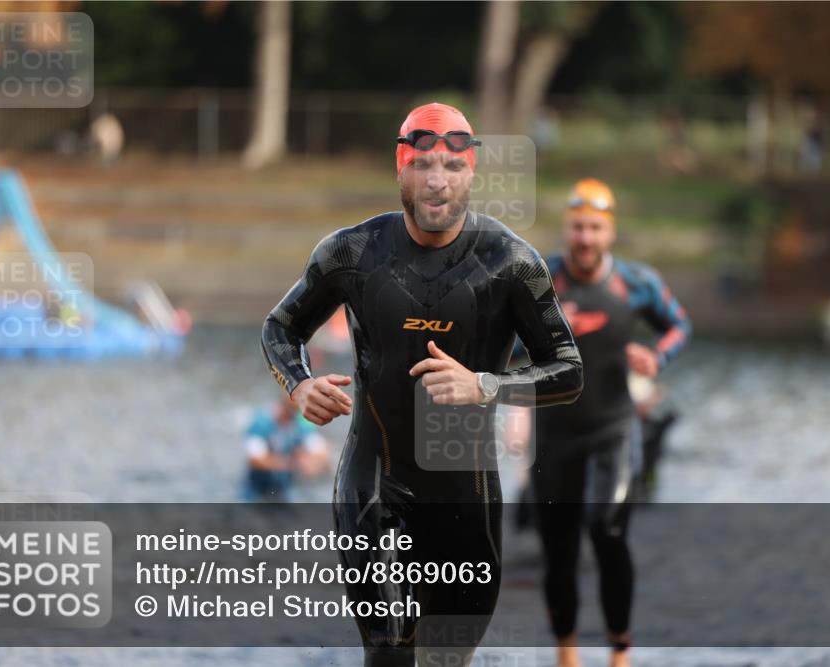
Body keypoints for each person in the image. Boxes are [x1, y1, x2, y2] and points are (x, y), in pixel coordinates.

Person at [261, 102, 583, 667]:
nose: (437, 182)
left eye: (452, 168)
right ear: (400, 167)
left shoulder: (510, 263)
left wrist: (485, 384)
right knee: (388, 650)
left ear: (472, 173)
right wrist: (299, 385)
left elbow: (567, 370)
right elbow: (280, 327)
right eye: (424, 165)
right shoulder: (352, 253)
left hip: (466, 498)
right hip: (374, 483)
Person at [531, 178, 691, 667]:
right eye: (578, 227)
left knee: (607, 529)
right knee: (557, 549)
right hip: (554, 434)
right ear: (567, 228)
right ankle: (567, 652)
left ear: (610, 232)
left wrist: (656, 357)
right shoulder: (539, 280)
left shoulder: (636, 282)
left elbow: (679, 325)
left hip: (612, 428)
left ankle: (620, 650)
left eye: (595, 228)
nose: (585, 237)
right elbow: (504, 337)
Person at [242, 394, 331, 501]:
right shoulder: (261, 423)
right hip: (255, 493)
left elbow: (321, 450)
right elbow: (255, 460)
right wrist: (291, 463)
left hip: (284, 492)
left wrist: (310, 462)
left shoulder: (299, 423)